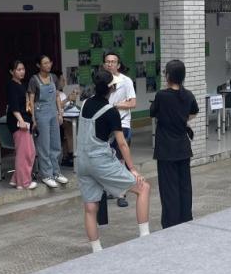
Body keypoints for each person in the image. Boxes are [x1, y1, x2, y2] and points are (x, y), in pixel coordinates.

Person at [76, 69, 152, 253]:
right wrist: (132, 169)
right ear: (112, 88)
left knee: (90, 207)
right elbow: (122, 144)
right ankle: (145, 237)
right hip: (100, 162)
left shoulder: (85, 103)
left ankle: (96, 250)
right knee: (143, 188)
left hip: (82, 162)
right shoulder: (111, 112)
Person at [150, 60, 199, 229]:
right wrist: (182, 119)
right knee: (185, 185)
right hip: (183, 146)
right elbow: (194, 112)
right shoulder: (188, 95)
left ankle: (171, 222)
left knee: (168, 187)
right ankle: (186, 217)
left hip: (166, 148)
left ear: (169, 75)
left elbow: (153, 112)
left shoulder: (162, 95)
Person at [29, 55, 69, 189]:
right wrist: (33, 118)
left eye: (49, 62)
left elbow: (57, 96)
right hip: (41, 113)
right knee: (44, 145)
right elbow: (31, 100)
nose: (48, 65)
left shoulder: (54, 77)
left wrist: (60, 113)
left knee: (56, 144)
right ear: (39, 65)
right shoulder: (34, 80)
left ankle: (56, 172)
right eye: (45, 63)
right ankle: (46, 175)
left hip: (53, 113)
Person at [103, 51, 137, 208]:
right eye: (107, 61)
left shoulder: (126, 81)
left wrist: (115, 106)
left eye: (113, 61)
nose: (110, 64)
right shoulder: (102, 81)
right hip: (105, 125)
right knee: (108, 159)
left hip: (122, 123)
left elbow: (132, 103)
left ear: (118, 64)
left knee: (121, 158)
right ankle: (111, 190)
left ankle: (122, 194)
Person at [6, 60, 38, 191]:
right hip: (19, 123)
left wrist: (31, 119)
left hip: (25, 121)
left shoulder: (21, 84)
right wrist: (22, 121)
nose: (22, 72)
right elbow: (14, 106)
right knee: (25, 153)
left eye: (23, 69)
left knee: (29, 152)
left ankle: (16, 179)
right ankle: (23, 183)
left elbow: (26, 105)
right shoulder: (12, 85)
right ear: (11, 72)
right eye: (18, 69)